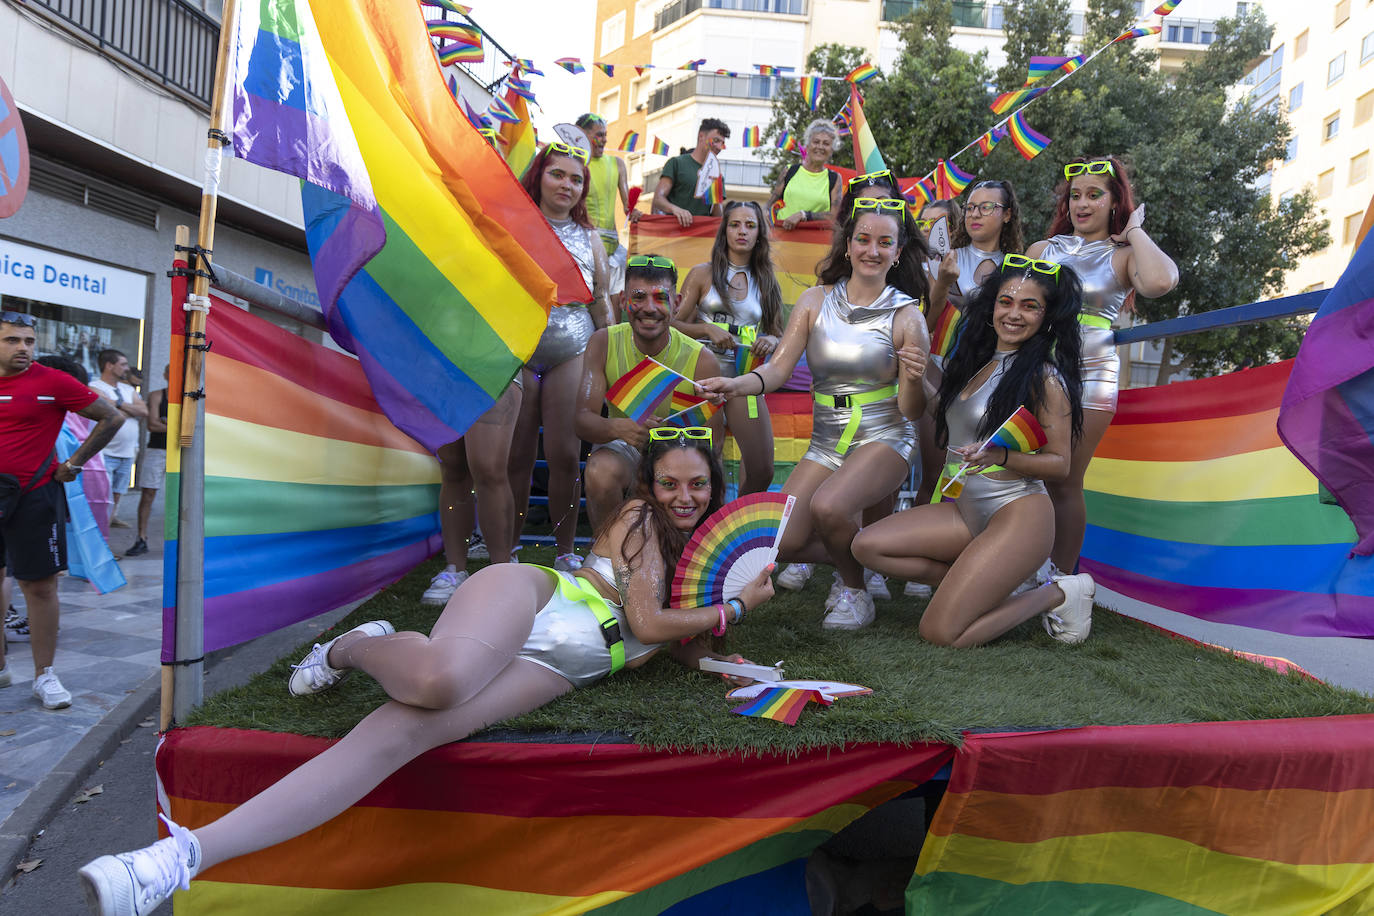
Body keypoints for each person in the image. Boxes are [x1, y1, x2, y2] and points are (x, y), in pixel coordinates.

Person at [78, 432, 774, 916]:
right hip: (535, 600)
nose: (683, 496)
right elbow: (650, 622)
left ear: (716, 489)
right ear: (650, 485)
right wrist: (738, 605)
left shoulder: (697, 565)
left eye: (697, 485)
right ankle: (352, 648)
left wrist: (725, 659)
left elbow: (674, 642)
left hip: (567, 665)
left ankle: (180, 858)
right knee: (439, 679)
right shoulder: (640, 520)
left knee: (401, 736)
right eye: (670, 482)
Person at [700, 197, 930, 630]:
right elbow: (776, 369)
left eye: (885, 242)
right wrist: (735, 385)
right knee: (777, 543)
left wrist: (914, 380)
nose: (872, 250)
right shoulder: (813, 300)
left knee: (828, 507)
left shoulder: (907, 314)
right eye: (863, 239)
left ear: (898, 252)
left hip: (885, 436)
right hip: (827, 442)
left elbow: (911, 409)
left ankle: (854, 588)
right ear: (848, 245)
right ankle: (870, 551)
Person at [852, 256, 1096, 647]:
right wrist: (915, 378)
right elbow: (931, 415)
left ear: (1047, 317)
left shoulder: (1045, 378)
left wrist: (1000, 457)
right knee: (866, 546)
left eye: (1029, 306)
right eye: (1006, 302)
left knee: (941, 632)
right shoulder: (974, 362)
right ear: (991, 306)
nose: (1014, 314)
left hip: (1018, 515)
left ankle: (1059, 593)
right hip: (964, 510)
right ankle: (987, 584)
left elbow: (1060, 465)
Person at [1026, 156, 1177, 574]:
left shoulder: (1125, 255)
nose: (1082, 203)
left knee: (1064, 479)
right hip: (1034, 372)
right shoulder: (1041, 251)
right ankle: (1022, 565)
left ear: (1114, 202)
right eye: (1075, 195)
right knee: (1026, 474)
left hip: (1091, 375)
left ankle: (1060, 582)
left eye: (1095, 194)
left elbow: (1161, 282)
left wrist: (1135, 232)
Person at [0, 312, 124, 706]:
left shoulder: (52, 382)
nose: (23, 348)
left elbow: (112, 416)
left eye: (29, 341)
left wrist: (74, 464)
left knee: (39, 587)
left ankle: (44, 675)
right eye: (12, 341)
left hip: (34, 496)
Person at [506, 142, 614, 574]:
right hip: (517, 349)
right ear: (539, 176)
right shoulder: (512, 226)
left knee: (565, 455)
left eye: (576, 179)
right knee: (516, 455)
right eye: (558, 174)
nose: (566, 185)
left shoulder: (591, 239)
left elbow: (602, 303)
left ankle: (565, 550)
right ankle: (507, 545)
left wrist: (611, 357)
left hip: (573, 348)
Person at [576, 255, 723, 530]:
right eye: (639, 297)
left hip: (682, 458)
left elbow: (712, 447)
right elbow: (582, 421)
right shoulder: (603, 343)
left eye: (660, 297)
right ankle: (609, 560)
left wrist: (671, 463)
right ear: (623, 300)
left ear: (677, 303)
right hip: (626, 451)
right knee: (599, 470)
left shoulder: (702, 359)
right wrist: (621, 428)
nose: (649, 308)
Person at [916, 181, 1025, 508]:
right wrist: (944, 284)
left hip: (986, 380)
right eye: (972, 207)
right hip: (936, 369)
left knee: (967, 474)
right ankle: (918, 542)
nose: (976, 214)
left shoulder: (1016, 268)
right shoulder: (941, 259)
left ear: (1007, 215)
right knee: (935, 473)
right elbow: (926, 325)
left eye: (987, 207)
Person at [671, 200, 784, 495]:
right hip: (701, 374)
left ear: (760, 233)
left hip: (743, 379)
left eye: (750, 225)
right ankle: (704, 531)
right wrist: (706, 328)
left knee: (762, 469)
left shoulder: (767, 280)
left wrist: (771, 341)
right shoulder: (701, 273)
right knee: (710, 459)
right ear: (724, 231)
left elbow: (779, 335)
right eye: (735, 224)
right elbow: (671, 326)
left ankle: (734, 524)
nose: (742, 231)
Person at [576, 112, 639, 293]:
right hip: (585, 247)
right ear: (582, 135)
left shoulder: (617, 164)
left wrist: (634, 212)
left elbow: (628, 207)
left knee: (613, 310)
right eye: (599, 135)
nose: (604, 140)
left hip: (613, 248)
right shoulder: (576, 164)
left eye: (605, 135)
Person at [88, 349, 146, 528]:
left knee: (117, 495)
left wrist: (118, 404)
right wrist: (128, 409)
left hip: (127, 453)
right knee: (101, 498)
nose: (127, 368)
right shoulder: (94, 387)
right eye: (123, 364)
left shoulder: (128, 389)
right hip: (104, 452)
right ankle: (100, 540)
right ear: (109, 365)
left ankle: (106, 535)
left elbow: (144, 412)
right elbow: (107, 412)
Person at [652, 118, 730, 227]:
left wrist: (716, 185)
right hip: (672, 233)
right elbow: (658, 199)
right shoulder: (677, 163)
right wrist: (676, 210)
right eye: (716, 140)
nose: (719, 147)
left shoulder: (718, 176)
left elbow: (717, 217)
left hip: (699, 237)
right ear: (701, 136)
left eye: (722, 143)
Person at [766, 119, 842, 229]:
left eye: (826, 144)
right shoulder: (789, 171)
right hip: (781, 238)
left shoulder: (834, 179)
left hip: (815, 242)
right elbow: (769, 203)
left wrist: (803, 215)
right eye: (816, 142)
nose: (820, 147)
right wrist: (764, 211)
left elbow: (835, 216)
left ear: (832, 150)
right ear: (807, 145)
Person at [126, 365, 168, 557]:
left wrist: (166, 423)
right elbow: (152, 424)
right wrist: (177, 426)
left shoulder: (189, 397)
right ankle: (141, 538)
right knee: (148, 494)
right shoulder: (157, 395)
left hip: (183, 452)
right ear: (166, 375)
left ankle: (183, 540)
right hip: (158, 449)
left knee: (184, 497)